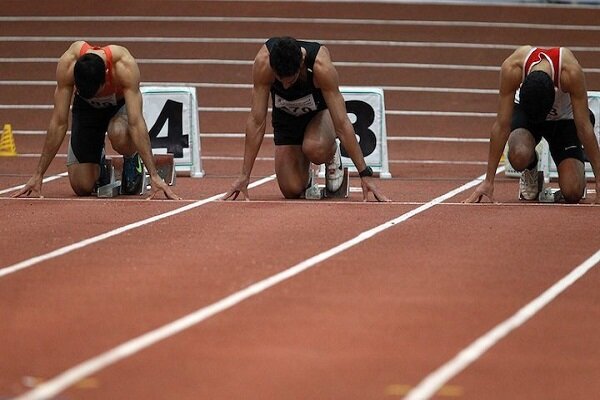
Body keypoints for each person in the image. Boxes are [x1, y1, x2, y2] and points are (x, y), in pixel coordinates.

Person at [222, 36, 389, 202]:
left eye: (291, 80)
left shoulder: (320, 66)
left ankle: (331, 155)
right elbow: (256, 121)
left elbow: (342, 122)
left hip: (320, 114)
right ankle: (304, 172)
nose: (286, 86)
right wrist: (244, 175)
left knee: (315, 148)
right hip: (286, 117)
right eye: (281, 81)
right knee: (291, 190)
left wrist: (364, 174)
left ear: (301, 62)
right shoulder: (263, 64)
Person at [12, 41, 181, 200]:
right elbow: (59, 123)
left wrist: (153, 175)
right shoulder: (68, 63)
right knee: (82, 187)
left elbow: (136, 123)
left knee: (118, 133)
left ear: (106, 76)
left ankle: (132, 159)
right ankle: (98, 162)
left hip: (118, 109)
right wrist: (38, 174)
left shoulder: (123, 65)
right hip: (86, 111)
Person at [465, 45, 600, 204]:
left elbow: (584, 127)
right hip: (528, 113)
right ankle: (531, 168)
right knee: (518, 154)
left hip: (564, 119)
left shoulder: (570, 72)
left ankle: (574, 168)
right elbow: (501, 126)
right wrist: (488, 181)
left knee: (573, 192)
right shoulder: (512, 68)